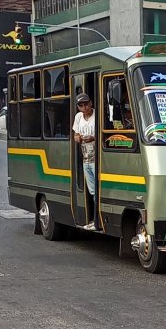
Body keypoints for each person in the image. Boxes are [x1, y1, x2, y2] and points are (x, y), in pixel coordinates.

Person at [72, 93, 97, 230]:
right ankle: (94, 219)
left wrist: (93, 138)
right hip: (85, 158)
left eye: (86, 104)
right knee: (92, 191)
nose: (84, 107)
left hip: (97, 158)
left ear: (91, 103)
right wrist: (81, 138)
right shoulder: (78, 117)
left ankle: (96, 219)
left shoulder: (97, 116)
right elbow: (75, 136)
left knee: (97, 191)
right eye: (81, 105)